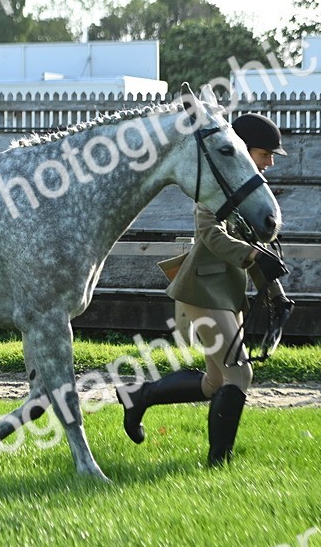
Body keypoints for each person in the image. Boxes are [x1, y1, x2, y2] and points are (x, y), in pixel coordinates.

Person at [120, 113, 290, 466]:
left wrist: (276, 295)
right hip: (203, 288)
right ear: (243, 149)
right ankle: (218, 463)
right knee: (239, 373)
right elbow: (212, 237)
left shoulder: (248, 195)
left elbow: (256, 252)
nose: (270, 162)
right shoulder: (213, 192)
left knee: (215, 382)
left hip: (226, 293)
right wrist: (254, 256)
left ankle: (139, 396)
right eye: (265, 154)